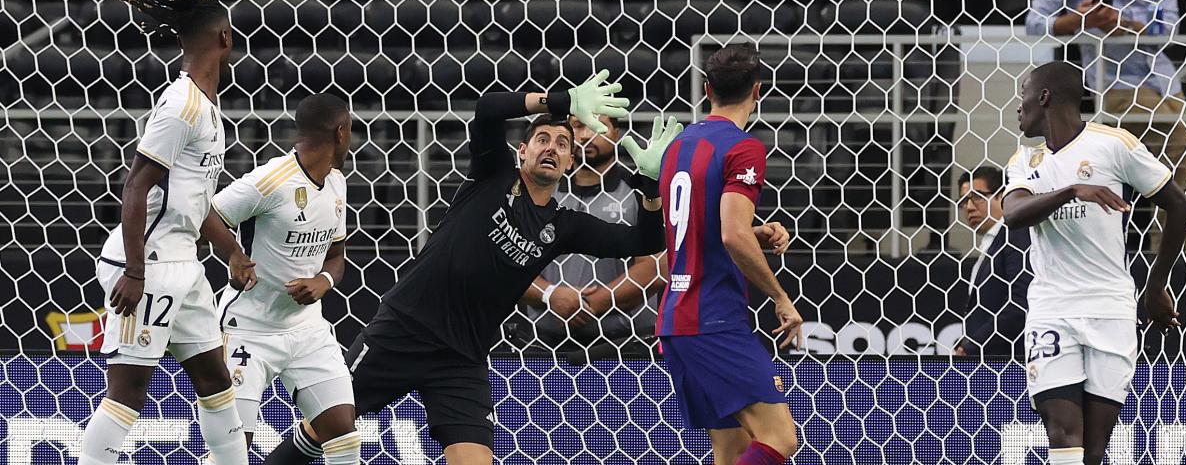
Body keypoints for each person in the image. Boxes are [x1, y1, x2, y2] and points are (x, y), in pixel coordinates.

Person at [262, 70, 677, 465]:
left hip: (462, 357)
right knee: (325, 427)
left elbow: (645, 242)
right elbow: (489, 108)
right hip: (404, 330)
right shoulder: (493, 175)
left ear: (570, 163)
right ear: (523, 151)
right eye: (543, 139)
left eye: (563, 144)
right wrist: (560, 101)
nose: (551, 147)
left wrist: (648, 186)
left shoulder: (562, 225)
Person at [80, 0, 248, 465]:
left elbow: (194, 201)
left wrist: (233, 250)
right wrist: (135, 270)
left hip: (183, 264)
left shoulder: (207, 107)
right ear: (224, 38)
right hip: (149, 264)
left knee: (215, 378)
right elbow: (136, 184)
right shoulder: (181, 106)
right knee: (129, 388)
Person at [1002, 61, 1186, 465]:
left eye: (1023, 94)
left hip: (1110, 308)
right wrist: (1072, 190)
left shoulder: (1114, 144)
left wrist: (1156, 284)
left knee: (1093, 448)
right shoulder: (1024, 161)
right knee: (1061, 432)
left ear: (1045, 97)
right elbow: (1014, 214)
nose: (1018, 107)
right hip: (1052, 309)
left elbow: (1178, 206)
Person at [655, 44, 801, 465]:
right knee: (779, 438)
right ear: (758, 90)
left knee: (732, 448)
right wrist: (780, 297)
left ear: (705, 89)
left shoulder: (678, 146)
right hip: (713, 319)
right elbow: (733, 235)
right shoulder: (744, 147)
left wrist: (756, 231)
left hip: (675, 322)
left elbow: (689, 236)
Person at [197, 94, 358, 464]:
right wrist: (234, 255)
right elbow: (207, 212)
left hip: (306, 331)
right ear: (340, 132)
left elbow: (336, 257)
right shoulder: (269, 181)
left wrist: (324, 282)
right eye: (350, 129)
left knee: (343, 433)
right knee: (233, 450)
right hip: (247, 329)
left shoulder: (337, 184)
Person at [1025, 0, 1186, 251]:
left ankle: (1175, 256)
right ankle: (1171, 252)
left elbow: (1169, 27)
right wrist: (1080, 19)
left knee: (1173, 171)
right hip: (1112, 83)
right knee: (1168, 162)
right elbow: (1036, 24)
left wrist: (1123, 23)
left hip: (1163, 81)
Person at [520, 113, 665, 350]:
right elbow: (509, 259)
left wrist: (588, 305)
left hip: (625, 346)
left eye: (599, 126)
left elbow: (658, 266)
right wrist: (551, 295)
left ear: (616, 134)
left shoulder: (640, 190)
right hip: (543, 345)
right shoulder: (539, 193)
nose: (587, 135)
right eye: (578, 126)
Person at [953, 166, 1032, 359]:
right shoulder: (993, 242)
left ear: (1002, 197)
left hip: (1010, 362)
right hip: (991, 360)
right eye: (963, 201)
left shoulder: (1015, 235)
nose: (969, 207)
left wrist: (973, 345)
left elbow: (1021, 302)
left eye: (978, 196)